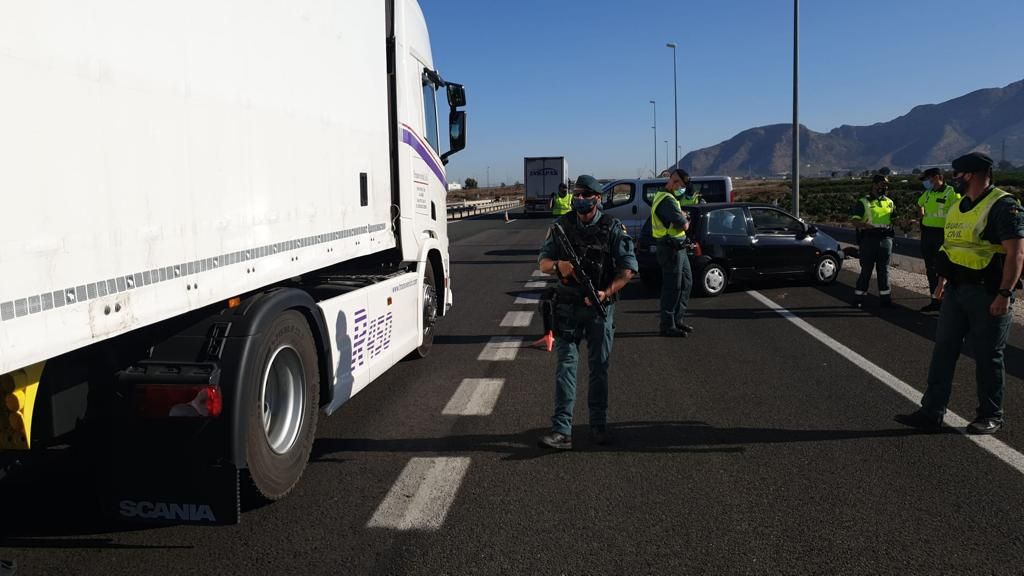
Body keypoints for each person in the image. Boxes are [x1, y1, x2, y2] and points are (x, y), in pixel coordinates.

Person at [896, 152, 1024, 434]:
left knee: (988, 355)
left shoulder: (1002, 206)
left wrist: (1005, 293)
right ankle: (931, 412)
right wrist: (942, 282)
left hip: (988, 292)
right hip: (956, 290)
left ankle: (990, 415)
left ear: (972, 175)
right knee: (943, 351)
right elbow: (951, 248)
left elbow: (1016, 252)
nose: (955, 180)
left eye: (958, 175)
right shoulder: (959, 206)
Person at [536, 174, 637, 449]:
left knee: (599, 369)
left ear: (597, 198)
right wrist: (560, 266)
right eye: (576, 195)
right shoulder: (561, 226)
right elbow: (542, 263)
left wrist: (607, 292)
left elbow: (627, 270)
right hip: (567, 307)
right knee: (565, 368)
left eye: (585, 195)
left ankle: (598, 426)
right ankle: (561, 430)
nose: (579, 200)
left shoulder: (613, 228)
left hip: (599, 310)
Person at [651, 168, 694, 336]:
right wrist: (686, 219)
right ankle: (667, 325)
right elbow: (683, 225)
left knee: (686, 283)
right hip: (670, 248)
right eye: (674, 181)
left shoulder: (672, 198)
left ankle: (677, 319)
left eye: (679, 183)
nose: (675, 185)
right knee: (672, 287)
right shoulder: (666, 200)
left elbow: (681, 220)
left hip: (679, 248)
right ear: (670, 179)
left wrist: (683, 217)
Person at [917, 168, 961, 311]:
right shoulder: (928, 193)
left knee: (946, 269)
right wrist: (922, 217)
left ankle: (948, 303)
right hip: (928, 234)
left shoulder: (951, 193)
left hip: (943, 234)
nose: (925, 183)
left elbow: (959, 210)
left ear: (936, 177)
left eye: (927, 179)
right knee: (931, 269)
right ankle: (935, 301)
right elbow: (919, 204)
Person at [850, 174, 896, 307]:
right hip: (869, 240)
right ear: (874, 185)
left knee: (884, 271)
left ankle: (885, 299)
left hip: (885, 240)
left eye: (886, 185)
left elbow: (894, 219)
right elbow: (854, 220)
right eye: (882, 184)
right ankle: (859, 299)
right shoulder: (863, 202)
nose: (885, 187)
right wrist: (864, 225)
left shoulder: (889, 202)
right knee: (866, 270)